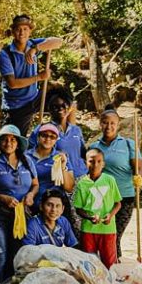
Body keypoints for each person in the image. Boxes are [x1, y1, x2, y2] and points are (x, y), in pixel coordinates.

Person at [0, 125, 39, 281]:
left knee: (17, 253)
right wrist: (1, 198)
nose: (8, 143)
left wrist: (31, 195)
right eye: (5, 140)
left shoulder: (27, 162)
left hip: (20, 215)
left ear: (18, 143)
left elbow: (35, 184)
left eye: (13, 139)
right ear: (0, 143)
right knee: (0, 253)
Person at [29, 89, 87, 235]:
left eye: (63, 106)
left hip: (80, 177)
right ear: (49, 109)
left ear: (69, 108)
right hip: (60, 180)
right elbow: (32, 153)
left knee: (85, 217)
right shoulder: (44, 131)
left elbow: (83, 152)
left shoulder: (76, 130)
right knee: (71, 219)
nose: (60, 109)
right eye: (55, 107)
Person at [89, 106, 142, 258]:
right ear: (100, 124)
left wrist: (139, 178)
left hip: (124, 197)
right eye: (105, 123)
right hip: (101, 198)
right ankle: (107, 268)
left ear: (118, 124)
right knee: (102, 236)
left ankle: (113, 267)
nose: (109, 126)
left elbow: (138, 167)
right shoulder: (94, 147)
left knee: (114, 235)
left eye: (112, 123)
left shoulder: (128, 144)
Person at [0, 14, 62, 135]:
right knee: (13, 141)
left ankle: (64, 135)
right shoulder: (5, 54)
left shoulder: (33, 44)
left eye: (25, 29)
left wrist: (36, 49)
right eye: (18, 29)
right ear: (12, 32)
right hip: (17, 105)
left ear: (30, 31)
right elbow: (12, 83)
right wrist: (39, 77)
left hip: (34, 97)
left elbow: (58, 42)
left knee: (64, 98)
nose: (22, 33)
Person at [74, 148, 122, 269]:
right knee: (89, 263)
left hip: (108, 229)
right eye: (91, 161)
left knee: (110, 263)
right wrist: (89, 217)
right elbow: (78, 209)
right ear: (86, 162)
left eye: (99, 161)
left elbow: (118, 203)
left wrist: (110, 215)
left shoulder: (110, 180)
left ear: (103, 164)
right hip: (88, 230)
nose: (95, 165)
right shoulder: (82, 183)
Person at [27, 123, 74, 212]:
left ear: (56, 140)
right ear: (38, 137)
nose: (48, 139)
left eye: (52, 137)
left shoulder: (60, 157)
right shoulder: (27, 156)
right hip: (31, 203)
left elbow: (69, 188)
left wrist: (63, 167)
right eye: (44, 135)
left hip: (54, 206)